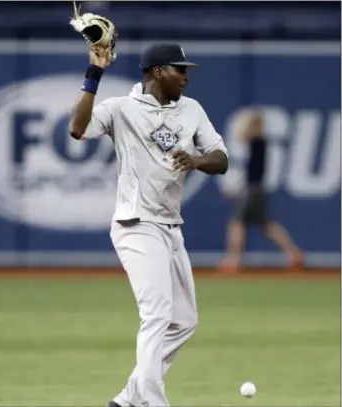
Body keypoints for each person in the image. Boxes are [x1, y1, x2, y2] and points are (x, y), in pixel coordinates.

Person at [68, 43, 229, 407]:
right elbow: (77, 129)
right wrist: (94, 74)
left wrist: (197, 159)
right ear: (157, 71)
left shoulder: (192, 110)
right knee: (157, 314)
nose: (186, 76)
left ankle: (128, 398)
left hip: (171, 226)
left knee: (184, 321)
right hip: (136, 222)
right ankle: (152, 402)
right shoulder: (121, 108)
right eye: (179, 69)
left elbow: (221, 160)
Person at [220, 109, 304, 272]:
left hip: (252, 191)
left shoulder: (257, 141)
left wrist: (247, 121)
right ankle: (294, 253)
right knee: (267, 225)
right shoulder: (260, 142)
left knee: (236, 224)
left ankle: (233, 259)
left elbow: (242, 135)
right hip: (258, 191)